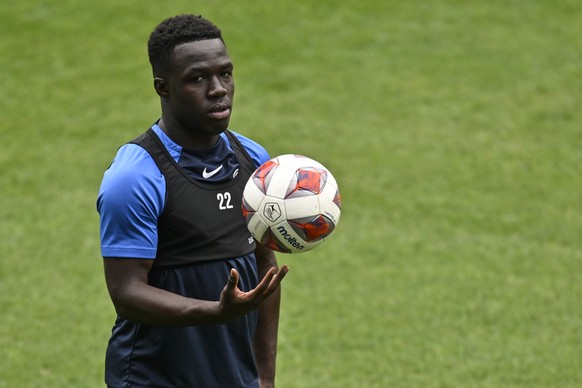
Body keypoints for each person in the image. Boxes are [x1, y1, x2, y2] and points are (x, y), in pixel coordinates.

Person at [97, 14, 289, 388]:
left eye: (225, 74)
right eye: (197, 78)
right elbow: (126, 293)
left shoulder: (254, 161)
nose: (218, 89)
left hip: (236, 377)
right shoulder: (135, 177)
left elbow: (265, 268)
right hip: (153, 378)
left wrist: (264, 377)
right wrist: (215, 311)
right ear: (163, 88)